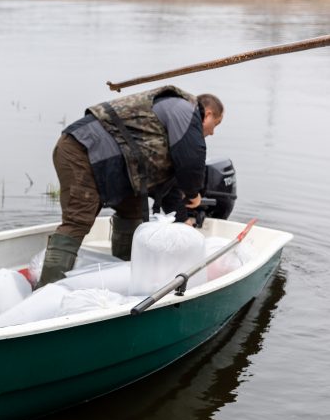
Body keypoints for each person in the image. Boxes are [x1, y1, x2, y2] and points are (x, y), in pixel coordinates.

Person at [36, 85, 223, 287]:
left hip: (114, 163)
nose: (212, 133)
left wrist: (182, 220)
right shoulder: (184, 110)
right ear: (209, 113)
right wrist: (193, 193)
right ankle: (46, 290)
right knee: (78, 220)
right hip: (82, 149)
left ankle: (125, 277)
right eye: (216, 124)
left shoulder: (172, 124)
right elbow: (190, 161)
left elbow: (168, 189)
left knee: (131, 211)